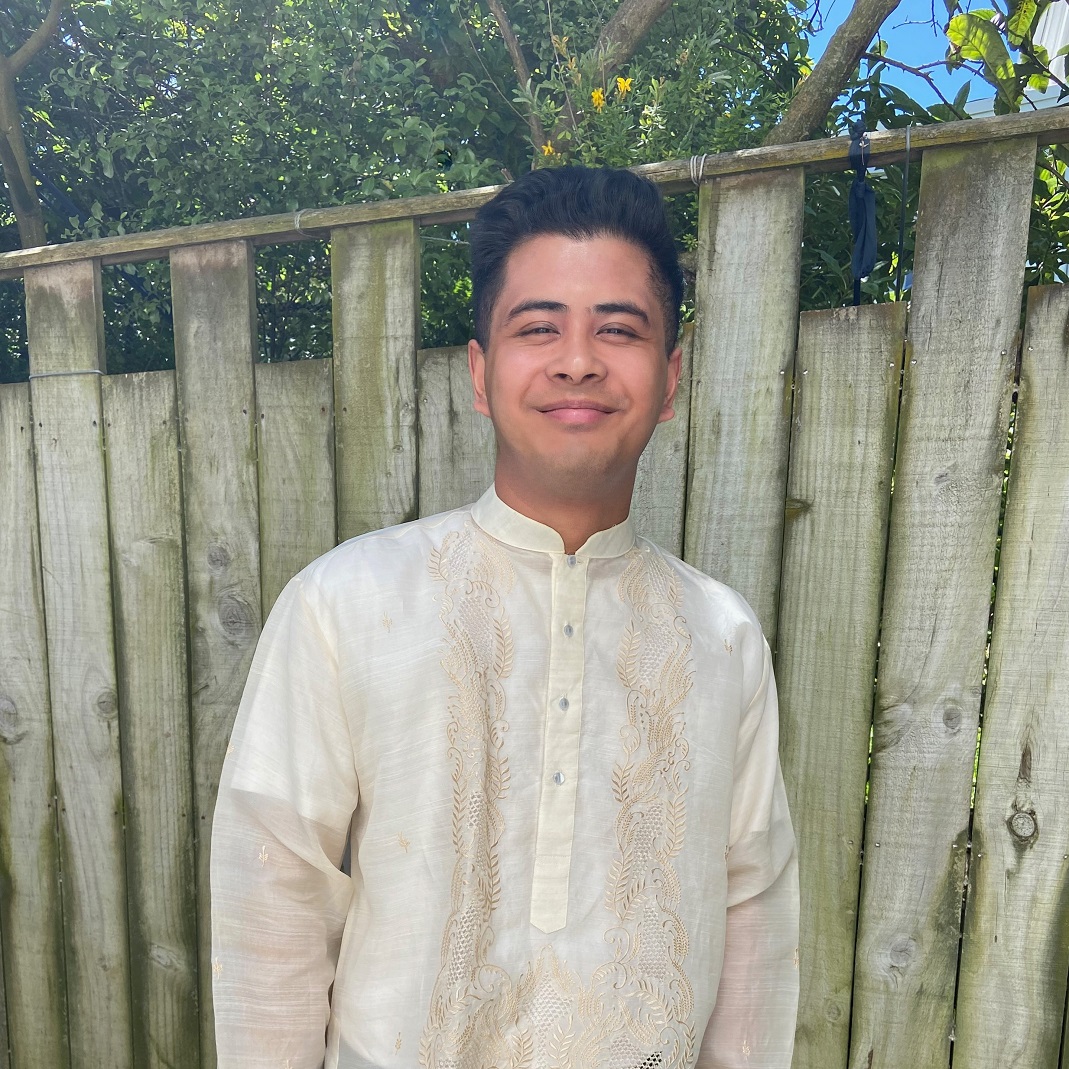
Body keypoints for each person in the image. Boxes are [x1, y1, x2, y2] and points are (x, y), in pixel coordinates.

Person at [211, 165, 799, 1069]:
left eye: (618, 328)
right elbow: (271, 899)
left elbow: (751, 906)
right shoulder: (347, 601)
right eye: (538, 328)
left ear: (669, 376)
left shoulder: (721, 638)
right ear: (481, 374)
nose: (578, 359)